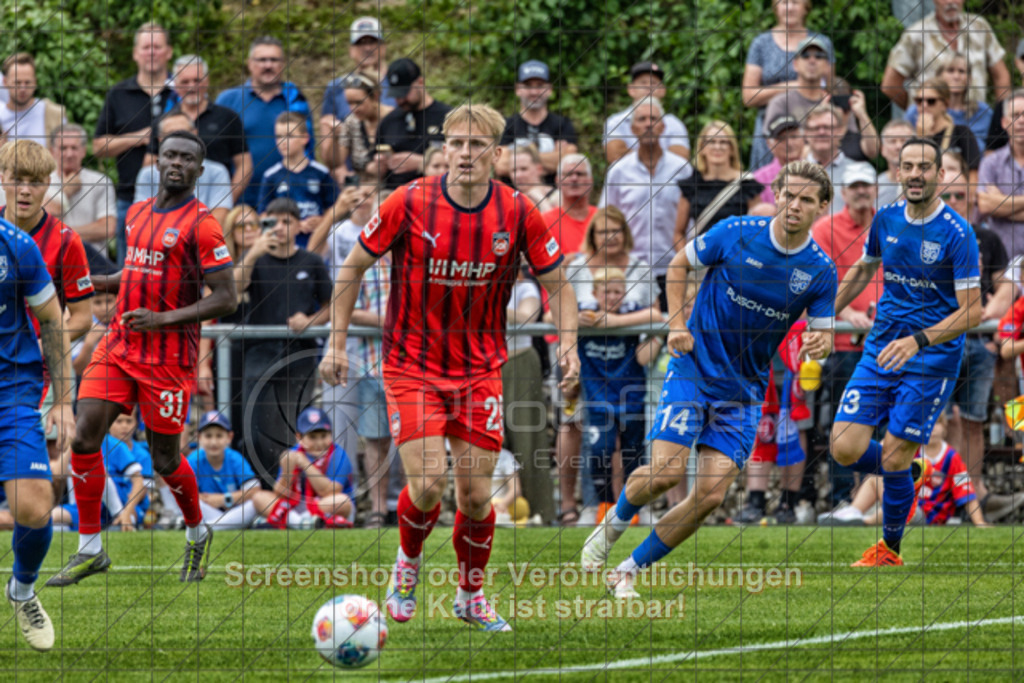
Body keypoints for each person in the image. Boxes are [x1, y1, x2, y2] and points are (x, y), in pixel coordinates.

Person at [318, 103, 579, 631]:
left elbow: (558, 283)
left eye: (475, 145)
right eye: (455, 143)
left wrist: (568, 343)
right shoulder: (408, 200)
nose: (463, 153)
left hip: (480, 368)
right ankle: (407, 566)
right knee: (430, 482)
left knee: (477, 495)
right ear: (444, 149)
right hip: (412, 365)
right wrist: (336, 343)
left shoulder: (518, 210)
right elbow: (351, 267)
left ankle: (469, 595)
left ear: (496, 154)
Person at [580, 161, 837, 598]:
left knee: (711, 497)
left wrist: (821, 345)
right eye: (789, 195)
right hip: (694, 369)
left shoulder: (820, 271)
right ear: (776, 194)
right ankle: (610, 528)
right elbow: (678, 267)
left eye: (806, 200)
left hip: (745, 390)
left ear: (822, 207)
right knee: (664, 473)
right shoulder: (736, 231)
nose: (795, 206)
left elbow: (824, 332)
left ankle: (627, 570)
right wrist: (677, 324)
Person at [48, 130, 237, 586]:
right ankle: (90, 548)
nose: (176, 163)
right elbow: (132, 274)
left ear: (197, 169)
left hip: (168, 359)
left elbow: (227, 297)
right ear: (156, 162)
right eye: (169, 154)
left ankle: (196, 531)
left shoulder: (203, 224)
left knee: (165, 459)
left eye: (186, 158)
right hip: (120, 345)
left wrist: (162, 319)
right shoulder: (136, 213)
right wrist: (82, 281)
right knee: (85, 435)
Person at [829, 138, 981, 568]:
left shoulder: (958, 233)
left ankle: (889, 549)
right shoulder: (886, 218)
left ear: (940, 175)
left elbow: (972, 311)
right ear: (897, 172)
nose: (915, 173)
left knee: (895, 448)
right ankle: (906, 474)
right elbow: (862, 270)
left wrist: (917, 340)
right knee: (843, 445)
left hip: (930, 357)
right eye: (907, 165)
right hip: (881, 347)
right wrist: (823, 317)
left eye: (924, 167)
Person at [0, 198, 75, 651]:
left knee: (34, 506)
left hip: (12, 391)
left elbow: (51, 320)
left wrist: (64, 402)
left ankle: (22, 589)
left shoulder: (17, 246)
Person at [0, 140, 95, 463]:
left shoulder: (66, 241)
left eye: (35, 182)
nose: (25, 191)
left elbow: (82, 317)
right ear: (2, 177)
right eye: (17, 180)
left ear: (48, 183)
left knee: (47, 463)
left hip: (37, 371)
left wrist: (40, 345)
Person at [940, 150, 1015, 519]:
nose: (954, 202)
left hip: (979, 341)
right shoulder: (931, 235)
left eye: (960, 196)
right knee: (944, 419)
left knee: (972, 422)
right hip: (940, 341)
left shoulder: (986, 237)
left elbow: (1008, 286)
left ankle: (972, 499)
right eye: (947, 196)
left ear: (971, 200)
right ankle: (940, 498)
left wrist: (988, 317)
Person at [235, 197, 332, 479]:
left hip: (298, 355)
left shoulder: (311, 261)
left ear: (298, 225)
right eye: (273, 221)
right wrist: (252, 253)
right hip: (258, 352)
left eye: (286, 221)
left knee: (293, 425)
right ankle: (261, 493)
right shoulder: (255, 258)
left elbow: (331, 306)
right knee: (254, 428)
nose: (279, 227)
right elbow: (234, 291)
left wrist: (310, 321)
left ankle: (292, 495)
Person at [810, 162, 883, 509]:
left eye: (866, 186)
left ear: (875, 190)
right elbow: (817, 283)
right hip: (843, 344)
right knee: (843, 424)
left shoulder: (888, 224)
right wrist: (844, 312)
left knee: (887, 425)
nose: (860, 191)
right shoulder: (826, 228)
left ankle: (880, 498)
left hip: (887, 342)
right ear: (843, 192)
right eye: (854, 186)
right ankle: (842, 500)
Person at [578, 267, 662, 523]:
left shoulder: (631, 311)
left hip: (631, 397)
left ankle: (634, 507)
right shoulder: (585, 313)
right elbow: (551, 314)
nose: (613, 296)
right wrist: (577, 318)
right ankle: (602, 505)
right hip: (597, 399)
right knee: (600, 451)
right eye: (607, 291)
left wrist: (615, 322)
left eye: (618, 291)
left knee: (633, 453)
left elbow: (656, 314)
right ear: (595, 293)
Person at [93, 23, 178, 264]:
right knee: (129, 274)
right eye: (146, 47)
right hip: (129, 200)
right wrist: (139, 137)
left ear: (169, 52)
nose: (152, 52)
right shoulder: (118, 93)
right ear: (135, 53)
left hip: (178, 200)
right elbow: (99, 147)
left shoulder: (182, 92)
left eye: (158, 47)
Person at [599, 96, 690, 311]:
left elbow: (691, 220)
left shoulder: (683, 169)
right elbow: (607, 219)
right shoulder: (618, 171)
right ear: (632, 128)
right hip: (630, 270)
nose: (648, 124)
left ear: (663, 126)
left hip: (674, 268)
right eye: (641, 119)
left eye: (653, 118)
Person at [827, 416, 987, 527]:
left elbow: (967, 494)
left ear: (945, 428)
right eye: (928, 423)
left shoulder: (952, 458)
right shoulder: (911, 448)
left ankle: (863, 522)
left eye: (937, 423)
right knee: (875, 477)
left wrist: (979, 523)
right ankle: (854, 512)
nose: (932, 428)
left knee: (902, 506)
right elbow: (884, 453)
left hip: (926, 517)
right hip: (906, 503)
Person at [215, 36, 315, 208]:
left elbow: (308, 146)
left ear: (283, 64)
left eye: (274, 60)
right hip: (240, 200)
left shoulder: (296, 100)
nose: (268, 65)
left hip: (286, 199)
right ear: (250, 64)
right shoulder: (228, 100)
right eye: (261, 60)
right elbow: (216, 150)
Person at [737, 321, 814, 525]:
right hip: (761, 354)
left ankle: (788, 502)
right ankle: (755, 500)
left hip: (799, 355)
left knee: (798, 426)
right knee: (762, 425)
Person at [148, 55, 251, 204]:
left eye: (197, 80)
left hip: (216, 198)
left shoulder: (228, 118)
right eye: (185, 82)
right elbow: (150, 165)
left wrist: (226, 200)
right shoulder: (163, 122)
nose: (192, 86)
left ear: (207, 81)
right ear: (176, 85)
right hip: (172, 202)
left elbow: (244, 164)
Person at [742, 0, 834, 170]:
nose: (789, 7)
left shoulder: (822, 43)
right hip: (772, 130)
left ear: (806, 8)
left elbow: (830, 89)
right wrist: (792, 86)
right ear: (775, 7)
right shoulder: (761, 44)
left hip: (813, 127)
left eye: (795, 2)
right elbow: (748, 97)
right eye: (784, 2)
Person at [882, 0, 1010, 111]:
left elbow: (1001, 75)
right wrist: (916, 109)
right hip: (931, 128)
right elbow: (890, 84)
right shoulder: (916, 34)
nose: (950, 2)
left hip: (974, 123)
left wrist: (999, 116)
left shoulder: (979, 26)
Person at [502, 266, 552, 524]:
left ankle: (538, 513)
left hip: (519, 363)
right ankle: (485, 511)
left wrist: (490, 300)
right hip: (480, 364)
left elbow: (527, 317)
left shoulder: (525, 287)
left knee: (528, 440)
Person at [320, 16, 396, 177]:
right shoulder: (335, 88)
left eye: (373, 42)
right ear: (351, 50)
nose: (367, 48)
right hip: (355, 178)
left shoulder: (398, 84)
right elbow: (328, 144)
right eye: (360, 43)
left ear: (383, 47)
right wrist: (341, 174)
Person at [674, 120, 766, 244]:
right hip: (701, 259)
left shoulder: (747, 184)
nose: (717, 147)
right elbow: (679, 233)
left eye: (723, 142)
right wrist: (687, 260)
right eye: (711, 142)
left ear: (732, 148)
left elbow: (757, 230)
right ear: (702, 148)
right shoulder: (691, 185)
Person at [257, 111, 339, 250]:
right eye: (279, 136)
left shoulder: (320, 173)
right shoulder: (271, 175)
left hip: (317, 245)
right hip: (283, 248)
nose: (283, 142)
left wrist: (323, 222)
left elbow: (334, 210)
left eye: (289, 136)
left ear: (305, 138)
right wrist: (292, 225)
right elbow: (263, 215)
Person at [262, 407, 355, 529]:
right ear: (299, 437)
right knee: (260, 497)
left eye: (323, 436)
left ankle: (292, 521)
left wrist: (305, 464)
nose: (319, 443)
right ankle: (304, 522)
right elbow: (280, 494)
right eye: (312, 437)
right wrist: (287, 471)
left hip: (325, 504)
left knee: (342, 501)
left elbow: (330, 491)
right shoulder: (293, 453)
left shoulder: (339, 455)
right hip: (295, 505)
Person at [134, 113, 233, 227]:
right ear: (160, 139)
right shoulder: (148, 174)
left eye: (184, 133)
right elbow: (142, 218)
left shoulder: (217, 172)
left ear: (195, 133)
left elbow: (218, 218)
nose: (178, 140)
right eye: (171, 134)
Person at [54, 416, 147, 532]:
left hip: (120, 505)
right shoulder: (76, 446)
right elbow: (57, 474)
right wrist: (71, 445)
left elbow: (139, 482)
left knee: (96, 470)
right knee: (51, 519)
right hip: (86, 506)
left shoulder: (115, 445)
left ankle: (118, 515)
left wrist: (127, 511)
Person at [185, 411, 275, 530]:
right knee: (190, 504)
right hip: (208, 512)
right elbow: (186, 495)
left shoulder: (235, 458)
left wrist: (224, 499)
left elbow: (254, 490)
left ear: (229, 437)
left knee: (256, 501)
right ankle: (220, 526)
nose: (213, 442)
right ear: (199, 437)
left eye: (219, 436)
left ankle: (209, 527)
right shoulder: (193, 460)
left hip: (233, 511)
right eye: (208, 436)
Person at [495, 60, 578, 185]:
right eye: (528, 86)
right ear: (518, 89)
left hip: (554, 200)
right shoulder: (506, 125)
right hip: (513, 199)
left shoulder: (562, 124)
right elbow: (500, 166)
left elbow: (569, 164)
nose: (534, 92)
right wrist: (554, 158)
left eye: (539, 85)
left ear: (549, 89)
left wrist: (516, 159)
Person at [376, 58, 451, 189]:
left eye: (404, 93)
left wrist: (421, 163)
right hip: (395, 195)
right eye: (396, 95)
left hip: (435, 193)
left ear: (420, 82)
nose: (400, 100)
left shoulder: (447, 118)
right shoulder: (389, 121)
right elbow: (372, 162)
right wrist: (378, 164)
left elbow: (462, 159)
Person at [44, 124, 117, 251]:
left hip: (92, 259)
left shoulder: (100, 181)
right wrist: (66, 191)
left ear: (83, 151)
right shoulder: (42, 180)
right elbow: (41, 221)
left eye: (74, 148)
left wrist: (60, 234)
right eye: (63, 148)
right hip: (53, 257)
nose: (69, 154)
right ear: (52, 151)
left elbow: (107, 228)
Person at [903, 53, 993, 152]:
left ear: (970, 79)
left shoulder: (984, 112)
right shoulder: (918, 110)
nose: (956, 76)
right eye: (950, 70)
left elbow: (994, 150)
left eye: (962, 71)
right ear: (939, 76)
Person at [604, 61, 690, 164]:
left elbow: (680, 159)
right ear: (631, 89)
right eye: (643, 83)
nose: (648, 87)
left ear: (662, 90)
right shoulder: (615, 121)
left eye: (653, 83)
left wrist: (633, 156)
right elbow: (614, 155)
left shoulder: (674, 123)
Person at [978, 89, 1024, 260]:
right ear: (1004, 122)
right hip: (1002, 265)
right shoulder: (991, 163)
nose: (1021, 121)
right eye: (1015, 115)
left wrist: (1001, 205)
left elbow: (994, 206)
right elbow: (985, 206)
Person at [321, 72, 393, 182]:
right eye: (349, 103)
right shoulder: (352, 122)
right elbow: (334, 163)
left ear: (375, 96)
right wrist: (334, 137)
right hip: (363, 188)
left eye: (359, 103)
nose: (354, 109)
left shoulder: (394, 118)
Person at [911, 78, 982, 174]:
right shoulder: (913, 135)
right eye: (919, 101)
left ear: (945, 104)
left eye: (931, 101)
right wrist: (921, 138)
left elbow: (973, 175)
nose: (924, 105)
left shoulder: (961, 133)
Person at [0, 53, 65, 144]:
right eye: (17, 83)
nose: (23, 89)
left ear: (35, 82)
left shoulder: (53, 114)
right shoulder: (1, 117)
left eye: (27, 83)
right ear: (5, 82)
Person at [541, 153, 596, 257]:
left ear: (590, 181)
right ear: (558, 181)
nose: (574, 179)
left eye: (580, 174)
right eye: (568, 174)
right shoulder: (545, 222)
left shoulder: (602, 218)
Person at [803, 104, 852, 213]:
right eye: (815, 128)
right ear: (806, 133)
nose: (821, 132)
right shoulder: (792, 174)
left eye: (827, 127)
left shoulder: (857, 171)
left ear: (840, 131)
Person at [753, 115, 805, 207]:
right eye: (782, 138)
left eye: (794, 136)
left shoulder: (818, 172)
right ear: (770, 144)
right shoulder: (758, 179)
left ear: (803, 139)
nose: (789, 143)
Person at [508, 143, 557, 213]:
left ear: (539, 169)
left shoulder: (557, 196)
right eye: (514, 170)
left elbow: (556, 223)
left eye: (524, 169)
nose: (518, 175)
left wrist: (541, 199)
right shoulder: (510, 200)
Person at [877, 120, 915, 207]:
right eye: (892, 141)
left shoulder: (929, 184)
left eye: (904, 141)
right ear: (882, 149)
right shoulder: (873, 188)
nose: (898, 146)